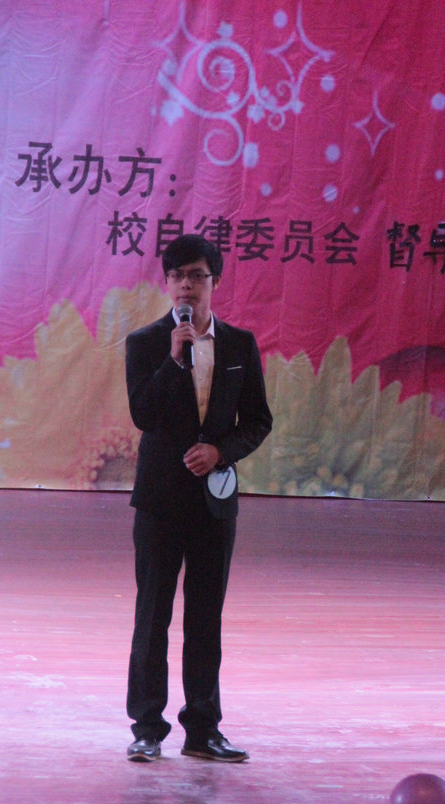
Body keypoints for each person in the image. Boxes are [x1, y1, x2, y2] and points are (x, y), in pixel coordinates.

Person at [125, 234, 272, 763]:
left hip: (214, 503)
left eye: (197, 275)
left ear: (215, 281)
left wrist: (220, 451)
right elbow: (143, 414)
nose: (186, 285)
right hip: (160, 502)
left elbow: (258, 421)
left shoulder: (240, 345)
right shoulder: (146, 342)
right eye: (177, 276)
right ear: (167, 283)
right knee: (153, 616)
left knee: (205, 619)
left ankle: (203, 730)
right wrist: (173, 360)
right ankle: (147, 728)